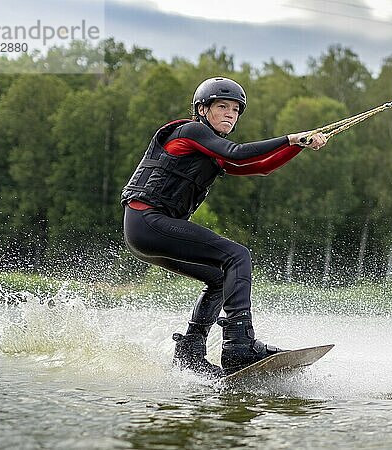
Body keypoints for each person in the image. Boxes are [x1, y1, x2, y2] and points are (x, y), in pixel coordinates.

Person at [121, 76, 327, 378]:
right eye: (222, 106)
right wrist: (291, 138)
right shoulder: (190, 132)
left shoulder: (209, 150)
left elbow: (259, 166)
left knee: (220, 279)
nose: (231, 114)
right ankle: (239, 344)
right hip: (148, 222)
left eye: (235, 109)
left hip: (148, 232)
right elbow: (238, 152)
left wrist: (299, 147)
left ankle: (190, 350)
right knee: (237, 255)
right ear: (203, 109)